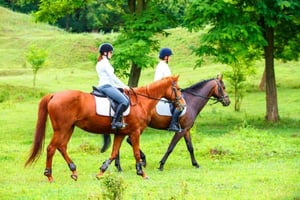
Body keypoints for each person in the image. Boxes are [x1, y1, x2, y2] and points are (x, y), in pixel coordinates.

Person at [96, 43, 129, 129]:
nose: (112, 54)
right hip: (106, 86)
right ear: (105, 53)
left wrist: (118, 87)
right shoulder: (105, 63)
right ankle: (115, 122)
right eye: (110, 52)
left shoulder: (100, 62)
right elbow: (112, 77)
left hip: (103, 85)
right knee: (124, 101)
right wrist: (124, 86)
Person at [154, 47, 183, 132]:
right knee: (180, 104)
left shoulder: (164, 66)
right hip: (163, 91)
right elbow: (158, 80)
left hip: (168, 90)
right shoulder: (161, 66)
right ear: (166, 57)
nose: (170, 58)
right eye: (170, 56)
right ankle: (173, 124)